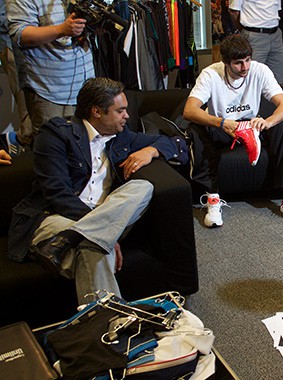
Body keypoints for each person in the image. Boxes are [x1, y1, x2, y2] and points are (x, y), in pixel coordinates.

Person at [7, 78, 183, 305]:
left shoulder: (122, 137)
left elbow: (174, 143)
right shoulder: (57, 134)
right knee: (96, 247)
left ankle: (69, 239)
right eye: (120, 111)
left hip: (101, 218)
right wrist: (104, 231)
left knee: (143, 187)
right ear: (97, 112)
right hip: (55, 217)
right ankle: (110, 325)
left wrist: (150, 151)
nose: (127, 116)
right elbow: (57, 193)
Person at [183, 34, 283, 228]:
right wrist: (221, 122)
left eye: (248, 60)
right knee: (196, 129)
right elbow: (189, 110)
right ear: (225, 62)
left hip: (252, 126)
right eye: (238, 63)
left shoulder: (260, 70)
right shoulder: (210, 74)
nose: (245, 68)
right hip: (223, 126)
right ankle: (213, 199)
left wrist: (266, 122)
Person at [6, 0, 95, 143]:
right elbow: (20, 34)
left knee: (87, 148)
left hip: (85, 84)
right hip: (49, 89)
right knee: (53, 149)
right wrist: (62, 30)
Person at [1, 0, 32, 154]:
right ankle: (21, 138)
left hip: (39, 46)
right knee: (25, 99)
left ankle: (19, 138)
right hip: (12, 43)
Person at [229, 0, 283, 84]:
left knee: (278, 80)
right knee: (250, 80)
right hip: (254, 35)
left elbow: (276, 10)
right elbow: (234, 11)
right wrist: (245, 30)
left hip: (275, 34)